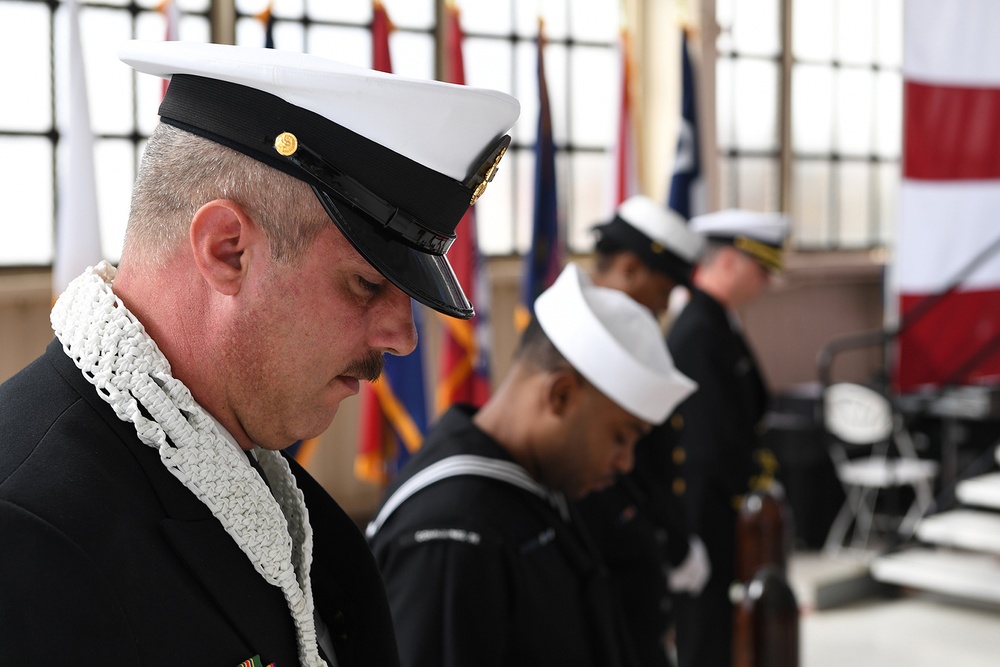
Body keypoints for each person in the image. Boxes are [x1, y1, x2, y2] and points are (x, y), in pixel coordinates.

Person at [0, 40, 518, 666]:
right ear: (226, 250)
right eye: (367, 283)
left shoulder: (273, 501)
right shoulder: (28, 530)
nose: (403, 337)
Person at [366, 262, 697, 667]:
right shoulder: (453, 532)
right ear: (560, 396)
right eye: (621, 437)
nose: (626, 462)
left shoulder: (533, 482)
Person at [575, 194, 711, 667]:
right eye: (661, 291)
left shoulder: (625, 337)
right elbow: (612, 472)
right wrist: (667, 544)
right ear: (631, 268)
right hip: (605, 556)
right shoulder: (580, 341)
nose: (659, 307)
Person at [666, 209, 788, 667]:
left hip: (724, 508)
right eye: (761, 269)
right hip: (706, 510)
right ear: (729, 262)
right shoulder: (700, 328)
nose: (767, 282)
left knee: (721, 626)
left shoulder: (718, 320)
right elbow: (706, 442)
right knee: (705, 631)